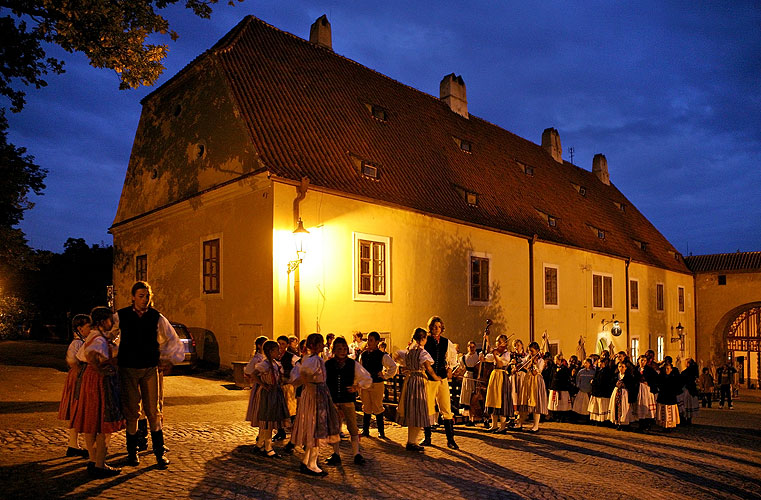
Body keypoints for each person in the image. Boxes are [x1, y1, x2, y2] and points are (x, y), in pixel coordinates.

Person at [115, 281, 184, 469]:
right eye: (141, 296)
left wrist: (167, 359)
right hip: (128, 367)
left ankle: (159, 453)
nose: (144, 299)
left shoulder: (156, 317)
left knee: (153, 411)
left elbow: (171, 338)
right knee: (132, 411)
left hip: (149, 367)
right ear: (133, 297)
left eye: (147, 296)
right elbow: (107, 335)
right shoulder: (121, 315)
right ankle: (132, 453)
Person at [70, 307, 125, 478]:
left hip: (89, 379)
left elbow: (80, 355)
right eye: (109, 320)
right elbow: (92, 355)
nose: (112, 324)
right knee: (103, 423)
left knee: (91, 422)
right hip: (98, 382)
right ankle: (99, 464)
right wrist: (102, 368)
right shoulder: (98, 339)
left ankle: (93, 461)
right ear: (102, 322)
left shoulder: (93, 335)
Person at [290, 333, 341, 476]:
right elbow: (304, 376)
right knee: (316, 428)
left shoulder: (310, 359)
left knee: (315, 428)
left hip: (317, 393)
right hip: (315, 395)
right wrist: (311, 387)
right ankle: (311, 464)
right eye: (321, 343)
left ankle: (306, 461)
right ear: (315, 345)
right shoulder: (314, 360)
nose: (323, 344)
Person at [325, 337, 373, 465]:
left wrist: (357, 387)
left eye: (344, 348)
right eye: (339, 349)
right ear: (333, 350)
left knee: (353, 427)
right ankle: (336, 454)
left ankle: (356, 454)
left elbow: (367, 378)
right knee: (334, 428)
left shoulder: (353, 364)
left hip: (347, 400)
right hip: (333, 400)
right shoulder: (328, 364)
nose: (342, 351)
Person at [393, 327, 439, 452]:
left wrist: (406, 368)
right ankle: (412, 442)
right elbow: (428, 367)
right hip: (419, 382)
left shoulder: (408, 351)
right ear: (423, 339)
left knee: (412, 411)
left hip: (409, 381)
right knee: (419, 411)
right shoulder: (422, 353)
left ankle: (411, 441)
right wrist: (436, 377)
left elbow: (396, 355)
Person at [422, 316, 459, 449]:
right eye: (434, 327)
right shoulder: (425, 341)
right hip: (428, 380)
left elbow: (452, 358)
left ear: (441, 328)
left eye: (438, 327)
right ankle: (427, 438)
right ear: (430, 328)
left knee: (446, 408)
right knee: (427, 408)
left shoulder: (446, 342)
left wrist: (449, 368)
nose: (436, 329)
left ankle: (450, 440)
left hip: (442, 378)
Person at [58, 314, 91, 459]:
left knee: (77, 410)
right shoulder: (77, 343)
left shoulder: (83, 341)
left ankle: (73, 444)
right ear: (79, 328)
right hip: (78, 378)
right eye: (88, 326)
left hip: (80, 377)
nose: (90, 329)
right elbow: (71, 360)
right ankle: (73, 444)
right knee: (76, 408)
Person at [250, 340, 290, 458]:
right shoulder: (265, 364)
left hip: (275, 392)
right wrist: (263, 384)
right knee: (267, 420)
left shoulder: (275, 364)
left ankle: (259, 444)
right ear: (270, 351)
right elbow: (253, 374)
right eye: (277, 350)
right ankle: (268, 447)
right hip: (268, 395)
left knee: (271, 419)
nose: (279, 351)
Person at [360, 331, 398, 438]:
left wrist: (385, 375)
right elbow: (360, 368)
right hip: (366, 384)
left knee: (377, 407)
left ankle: (381, 431)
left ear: (377, 342)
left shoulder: (382, 355)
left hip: (377, 384)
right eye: (367, 340)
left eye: (371, 340)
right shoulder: (363, 355)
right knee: (366, 407)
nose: (368, 342)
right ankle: (365, 430)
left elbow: (393, 367)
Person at [483, 333, 513, 433]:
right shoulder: (495, 352)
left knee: (501, 400)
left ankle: (503, 426)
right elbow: (487, 358)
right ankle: (494, 424)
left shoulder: (507, 354)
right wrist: (486, 344)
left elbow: (500, 363)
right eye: (496, 342)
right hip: (494, 376)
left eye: (499, 342)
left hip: (502, 376)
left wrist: (495, 355)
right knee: (492, 399)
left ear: (505, 343)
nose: (497, 344)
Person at [272, 335, 300, 442]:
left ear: (287, 345)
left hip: (287, 387)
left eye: (283, 344)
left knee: (290, 411)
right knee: (277, 409)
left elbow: (299, 366)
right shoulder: (274, 356)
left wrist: (291, 377)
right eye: (278, 343)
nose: (280, 346)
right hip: (277, 386)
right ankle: (280, 431)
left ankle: (295, 433)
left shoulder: (291, 357)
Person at [516, 341, 548, 433]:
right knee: (524, 401)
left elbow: (538, 371)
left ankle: (536, 426)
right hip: (528, 381)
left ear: (537, 350)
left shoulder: (541, 360)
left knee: (536, 403)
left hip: (537, 382)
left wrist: (534, 364)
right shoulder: (528, 357)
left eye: (532, 351)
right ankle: (520, 423)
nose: (530, 353)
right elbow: (523, 364)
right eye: (529, 351)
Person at [244, 335, 270, 448]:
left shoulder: (266, 358)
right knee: (260, 410)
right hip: (259, 387)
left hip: (265, 387)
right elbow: (249, 371)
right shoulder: (257, 359)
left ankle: (263, 436)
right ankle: (261, 436)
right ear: (260, 346)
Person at [456, 341, 480, 426]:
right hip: (467, 377)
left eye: (473, 347)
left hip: (476, 377)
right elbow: (461, 368)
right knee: (468, 398)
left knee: (476, 399)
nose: (472, 348)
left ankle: (482, 418)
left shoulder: (478, 356)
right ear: (468, 347)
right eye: (470, 346)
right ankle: (471, 419)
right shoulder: (464, 358)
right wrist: (455, 373)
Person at [609, 360, 637, 430]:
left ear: (626, 368)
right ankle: (618, 422)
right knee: (616, 407)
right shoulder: (616, 375)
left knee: (625, 408)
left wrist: (624, 384)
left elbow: (632, 385)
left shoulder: (629, 376)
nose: (621, 368)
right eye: (619, 366)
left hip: (624, 393)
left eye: (622, 367)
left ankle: (625, 423)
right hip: (616, 392)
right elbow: (611, 383)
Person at [634, 354, 658, 432]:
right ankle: (641, 424)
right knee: (640, 406)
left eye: (644, 360)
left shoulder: (650, 370)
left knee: (647, 406)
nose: (642, 362)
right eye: (641, 360)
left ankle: (648, 424)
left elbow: (655, 379)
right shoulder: (636, 369)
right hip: (639, 389)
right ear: (638, 361)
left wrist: (649, 383)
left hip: (647, 390)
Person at [588, 357, 614, 425]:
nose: (599, 364)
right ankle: (596, 419)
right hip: (597, 392)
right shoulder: (599, 370)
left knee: (602, 407)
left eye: (600, 362)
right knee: (596, 406)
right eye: (598, 362)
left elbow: (602, 381)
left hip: (602, 392)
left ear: (603, 363)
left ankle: (602, 420)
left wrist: (593, 382)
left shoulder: (606, 371)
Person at [656, 361, 681, 430]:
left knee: (670, 412)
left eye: (668, 368)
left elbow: (677, 387)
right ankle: (664, 425)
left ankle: (670, 426)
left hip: (670, 398)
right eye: (665, 369)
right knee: (663, 412)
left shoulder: (674, 377)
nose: (666, 370)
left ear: (671, 369)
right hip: (662, 397)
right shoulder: (661, 377)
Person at [548, 354, 573, 422]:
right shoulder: (553, 368)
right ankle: (554, 416)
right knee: (554, 403)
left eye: (556, 359)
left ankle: (562, 417)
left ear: (559, 360)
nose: (554, 361)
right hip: (554, 387)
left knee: (562, 404)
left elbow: (566, 379)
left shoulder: (565, 369)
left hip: (562, 388)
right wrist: (550, 386)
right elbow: (551, 377)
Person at [680, 358, 700, 423]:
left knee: (686, 404)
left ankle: (685, 418)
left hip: (687, 389)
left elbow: (683, 380)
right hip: (692, 389)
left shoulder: (686, 372)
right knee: (690, 404)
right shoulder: (694, 371)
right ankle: (689, 419)